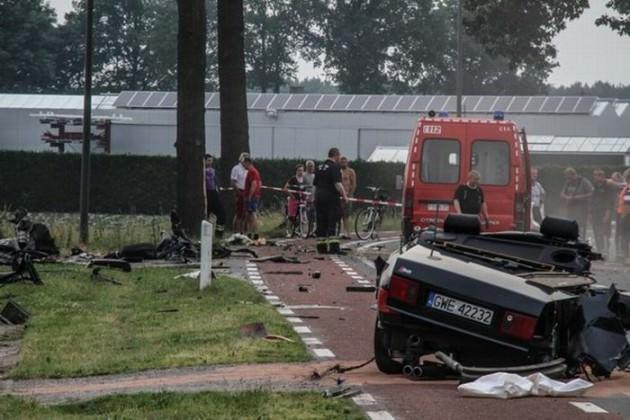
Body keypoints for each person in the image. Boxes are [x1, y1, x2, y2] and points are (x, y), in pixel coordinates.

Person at [314, 148, 347, 241]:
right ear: (335, 155)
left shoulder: (320, 167)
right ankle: (333, 246)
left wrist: (314, 197)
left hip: (319, 197)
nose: (339, 158)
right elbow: (337, 184)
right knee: (332, 222)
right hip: (331, 198)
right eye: (339, 155)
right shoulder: (335, 167)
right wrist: (344, 195)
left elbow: (315, 185)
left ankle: (321, 246)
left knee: (321, 224)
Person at [590, 169, 617, 254]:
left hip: (604, 212)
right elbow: (592, 200)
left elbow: (610, 202)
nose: (594, 177)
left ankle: (606, 250)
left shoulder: (608, 186)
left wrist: (607, 215)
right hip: (595, 212)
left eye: (596, 175)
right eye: (594, 175)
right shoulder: (595, 186)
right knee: (596, 231)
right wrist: (590, 213)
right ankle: (599, 249)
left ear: (602, 176)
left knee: (605, 232)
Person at [561, 167, 593, 237]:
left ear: (573, 175)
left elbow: (591, 193)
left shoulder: (584, 182)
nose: (568, 179)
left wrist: (579, 197)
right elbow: (562, 193)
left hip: (581, 209)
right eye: (567, 178)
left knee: (580, 227)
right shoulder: (568, 182)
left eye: (569, 177)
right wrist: (566, 197)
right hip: (570, 208)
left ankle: (581, 239)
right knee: (570, 225)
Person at [204, 154, 226, 238]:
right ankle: (206, 235)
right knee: (207, 215)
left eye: (211, 161)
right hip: (207, 193)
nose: (210, 162)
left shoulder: (213, 170)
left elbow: (216, 182)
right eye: (208, 160)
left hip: (214, 193)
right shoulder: (203, 171)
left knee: (222, 213)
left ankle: (218, 234)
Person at [284, 164, 306, 237]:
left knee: (302, 216)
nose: (301, 172)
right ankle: (288, 231)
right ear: (296, 171)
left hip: (302, 200)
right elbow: (285, 188)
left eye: (302, 170)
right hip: (293, 200)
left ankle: (300, 230)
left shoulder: (304, 179)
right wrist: (292, 196)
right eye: (299, 170)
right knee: (291, 216)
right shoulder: (293, 179)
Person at [230, 152, 249, 233]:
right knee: (239, 213)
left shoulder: (247, 169)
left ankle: (242, 231)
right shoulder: (236, 168)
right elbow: (233, 182)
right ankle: (236, 231)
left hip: (246, 192)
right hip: (239, 191)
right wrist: (238, 192)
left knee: (245, 213)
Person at [242, 157, 262, 235]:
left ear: (248, 162)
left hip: (252, 196)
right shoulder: (256, 171)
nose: (243, 165)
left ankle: (254, 232)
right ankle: (250, 232)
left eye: (244, 163)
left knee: (252, 214)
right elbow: (260, 183)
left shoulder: (252, 172)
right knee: (249, 214)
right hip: (255, 195)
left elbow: (254, 184)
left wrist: (250, 196)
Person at [339, 156, 357, 239]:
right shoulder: (337, 171)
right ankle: (341, 231)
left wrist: (349, 195)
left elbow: (353, 184)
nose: (343, 163)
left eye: (344, 161)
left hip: (347, 196)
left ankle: (347, 232)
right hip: (339, 196)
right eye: (341, 161)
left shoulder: (351, 171)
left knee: (346, 215)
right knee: (339, 214)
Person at [616, 169, 630, 261]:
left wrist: (624, 215)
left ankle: (626, 255)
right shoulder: (627, 187)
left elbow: (628, 202)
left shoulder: (628, 188)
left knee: (625, 235)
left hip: (627, 215)